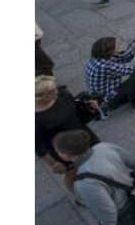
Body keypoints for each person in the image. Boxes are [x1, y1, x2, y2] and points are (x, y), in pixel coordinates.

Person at [35, 76, 98, 204]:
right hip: (62, 148)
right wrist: (53, 163)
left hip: (82, 135)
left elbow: (74, 108)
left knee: (95, 156)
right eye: (52, 91)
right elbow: (37, 144)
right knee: (71, 172)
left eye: (55, 88)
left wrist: (89, 106)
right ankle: (79, 197)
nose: (56, 91)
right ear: (40, 97)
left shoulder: (61, 94)